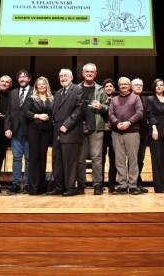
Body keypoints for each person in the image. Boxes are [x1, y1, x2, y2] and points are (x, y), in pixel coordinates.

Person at [48, 68, 84, 196]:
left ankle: (70, 187)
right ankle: (59, 186)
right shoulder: (58, 92)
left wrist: (66, 125)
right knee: (57, 160)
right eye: (61, 76)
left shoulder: (78, 89)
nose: (63, 78)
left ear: (71, 77)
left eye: (65, 76)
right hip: (57, 130)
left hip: (70, 130)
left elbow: (79, 109)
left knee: (69, 161)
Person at [77, 63, 110, 195]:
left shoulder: (100, 89)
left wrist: (101, 107)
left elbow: (108, 107)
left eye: (92, 72)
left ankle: (97, 185)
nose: (89, 74)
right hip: (79, 128)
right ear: (83, 73)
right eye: (87, 71)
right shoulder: (76, 88)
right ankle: (81, 184)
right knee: (80, 159)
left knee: (97, 158)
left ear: (95, 74)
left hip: (96, 127)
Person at [108, 77, 144, 195]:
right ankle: (122, 185)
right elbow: (110, 114)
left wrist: (129, 122)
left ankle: (133, 185)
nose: (123, 86)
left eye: (125, 84)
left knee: (133, 160)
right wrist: (117, 123)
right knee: (119, 160)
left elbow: (140, 112)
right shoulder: (114, 99)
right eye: (121, 84)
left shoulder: (135, 98)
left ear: (129, 86)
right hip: (117, 132)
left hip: (132, 132)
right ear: (118, 86)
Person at [24, 76, 54, 195]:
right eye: (39, 84)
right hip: (34, 130)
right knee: (34, 157)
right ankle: (33, 187)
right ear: (36, 86)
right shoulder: (31, 98)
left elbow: (54, 114)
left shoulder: (52, 98)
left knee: (43, 157)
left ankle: (41, 186)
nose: (41, 85)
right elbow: (26, 112)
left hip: (47, 131)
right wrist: (38, 116)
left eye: (43, 84)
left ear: (47, 85)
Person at [4, 69, 32, 193]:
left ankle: (28, 184)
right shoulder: (12, 93)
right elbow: (8, 112)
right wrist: (7, 128)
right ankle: (15, 183)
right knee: (16, 158)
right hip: (15, 130)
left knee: (29, 159)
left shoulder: (34, 91)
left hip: (30, 131)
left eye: (25, 77)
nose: (22, 79)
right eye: (20, 77)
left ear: (29, 79)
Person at [146, 78, 164, 193]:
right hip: (156, 130)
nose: (159, 87)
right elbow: (150, 114)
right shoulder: (150, 99)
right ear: (154, 87)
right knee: (156, 159)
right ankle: (158, 186)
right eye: (157, 85)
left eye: (161, 85)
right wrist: (154, 128)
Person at [131, 78, 149, 193]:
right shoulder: (129, 98)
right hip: (132, 132)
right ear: (131, 87)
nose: (138, 86)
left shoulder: (145, 99)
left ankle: (137, 181)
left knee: (140, 159)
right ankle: (133, 183)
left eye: (140, 85)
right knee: (133, 159)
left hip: (143, 133)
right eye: (136, 85)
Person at [100, 78, 117, 192]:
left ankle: (112, 184)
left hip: (114, 132)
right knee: (101, 159)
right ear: (103, 89)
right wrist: (103, 125)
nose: (109, 88)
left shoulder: (118, 100)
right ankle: (100, 184)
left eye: (110, 86)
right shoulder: (99, 100)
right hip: (102, 132)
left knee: (113, 159)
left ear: (114, 88)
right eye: (106, 86)